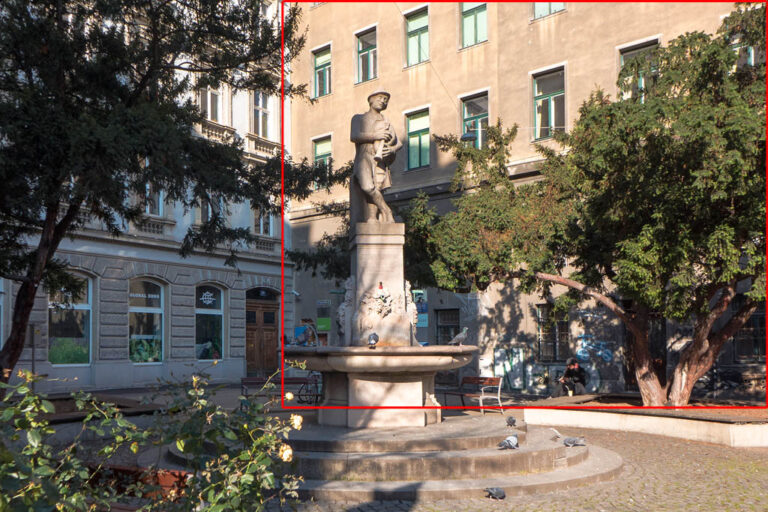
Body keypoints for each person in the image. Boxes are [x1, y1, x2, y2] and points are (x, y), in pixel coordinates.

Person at [349, 90, 402, 224]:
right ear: (371, 100)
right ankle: (386, 210)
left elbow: (398, 143)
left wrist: (391, 150)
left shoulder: (385, 121)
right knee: (367, 186)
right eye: (380, 98)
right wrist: (375, 136)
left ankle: (372, 217)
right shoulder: (359, 118)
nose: (383, 101)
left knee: (377, 187)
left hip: (379, 158)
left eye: (385, 99)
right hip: (364, 157)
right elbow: (354, 136)